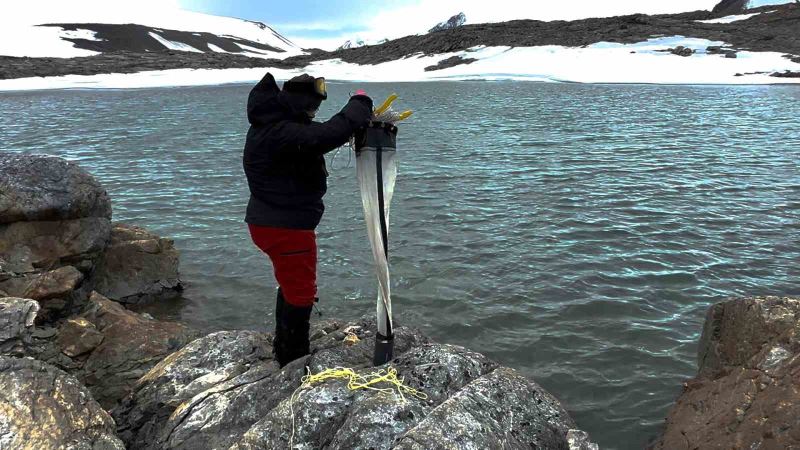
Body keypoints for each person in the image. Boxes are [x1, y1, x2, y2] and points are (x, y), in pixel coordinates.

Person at [243, 72, 373, 367]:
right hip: (285, 228)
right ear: (299, 102)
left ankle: (283, 349)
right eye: (312, 106)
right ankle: (293, 361)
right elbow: (325, 135)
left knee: (291, 285)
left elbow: (320, 133)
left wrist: (350, 120)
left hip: (273, 222)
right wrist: (360, 104)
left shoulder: (274, 125)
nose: (315, 113)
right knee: (301, 293)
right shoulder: (279, 132)